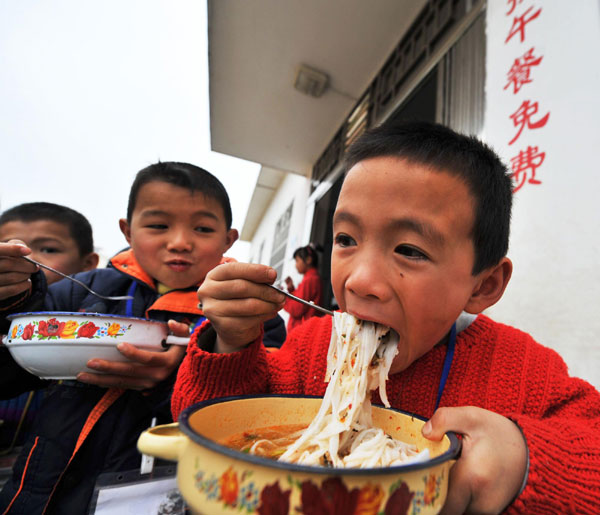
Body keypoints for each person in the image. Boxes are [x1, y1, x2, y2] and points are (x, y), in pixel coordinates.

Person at [171, 122, 600, 514]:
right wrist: (230, 343)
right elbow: (206, 424)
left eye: (409, 250)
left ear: (482, 285)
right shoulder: (309, 348)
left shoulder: (522, 368)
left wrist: (525, 459)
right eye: (346, 239)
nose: (359, 281)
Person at [0, 162, 240, 514]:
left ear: (228, 240)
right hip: (45, 493)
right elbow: (7, 375)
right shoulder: (78, 295)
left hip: (177, 496)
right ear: (127, 231)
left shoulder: (239, 317)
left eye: (202, 228)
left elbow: (244, 415)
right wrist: (12, 300)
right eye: (158, 225)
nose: (180, 242)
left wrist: (172, 383)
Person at [0, 202, 99, 451]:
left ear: (88, 264)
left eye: (48, 249)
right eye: (9, 247)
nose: (25, 258)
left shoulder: (100, 326)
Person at [282, 243, 323, 332]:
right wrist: (291, 289)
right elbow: (301, 301)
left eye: (297, 261)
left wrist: (282, 298)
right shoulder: (311, 278)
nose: (295, 265)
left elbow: (296, 309)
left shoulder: (309, 280)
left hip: (301, 332)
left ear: (308, 260)